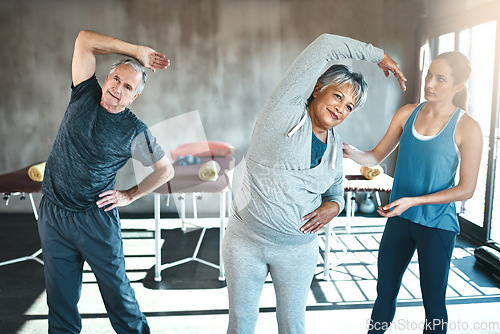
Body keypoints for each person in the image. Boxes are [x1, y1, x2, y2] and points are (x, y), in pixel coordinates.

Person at [222, 33, 406, 334]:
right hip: (246, 243)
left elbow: (334, 190)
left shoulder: (335, 147)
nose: (340, 108)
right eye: (337, 96)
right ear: (318, 89)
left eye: (348, 107)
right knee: (241, 325)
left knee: (293, 327)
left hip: (298, 250)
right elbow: (325, 44)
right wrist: (379, 56)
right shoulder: (283, 111)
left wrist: (334, 205)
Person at [38, 30, 173, 333]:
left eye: (128, 87)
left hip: (95, 219)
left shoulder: (134, 131)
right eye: (116, 79)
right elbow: (84, 40)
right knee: (60, 301)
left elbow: (166, 170)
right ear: (107, 77)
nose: (118, 88)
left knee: (119, 298)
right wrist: (137, 50)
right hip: (54, 212)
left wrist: (130, 194)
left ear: (134, 96)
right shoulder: (83, 92)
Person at [343, 51, 482, 333]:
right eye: (429, 74)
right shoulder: (407, 113)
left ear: (458, 87)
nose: (430, 83)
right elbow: (375, 157)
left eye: (440, 79)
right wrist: (350, 151)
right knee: (385, 294)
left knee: (433, 305)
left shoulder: (468, 128)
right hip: (400, 221)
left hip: (437, 226)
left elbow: (466, 190)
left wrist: (413, 201)